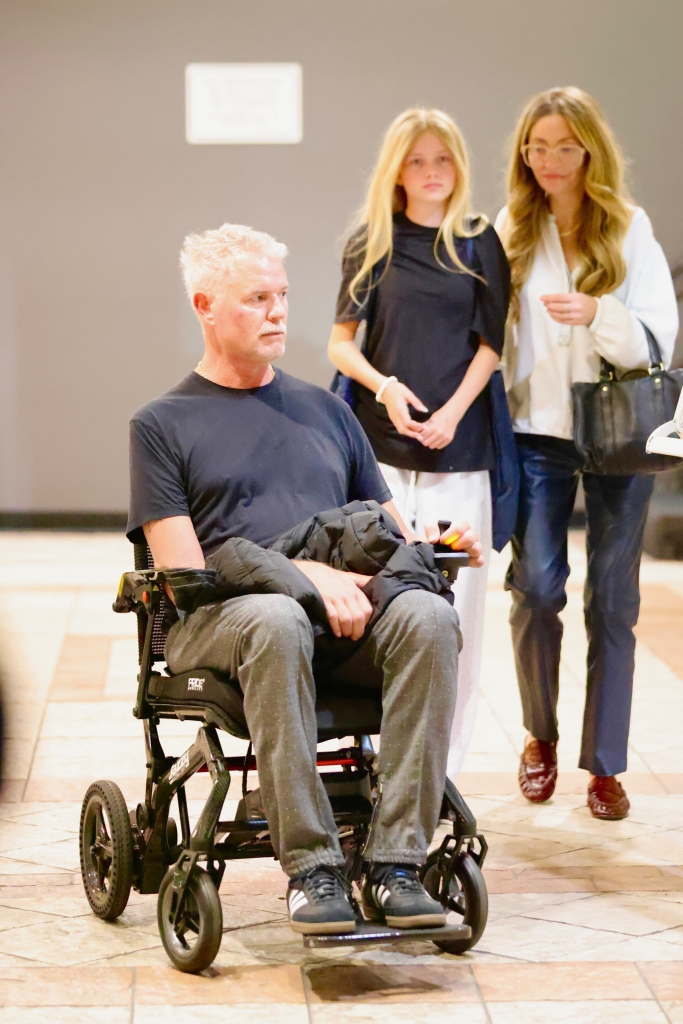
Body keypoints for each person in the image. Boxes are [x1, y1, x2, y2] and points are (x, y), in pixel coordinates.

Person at [127, 222, 484, 935]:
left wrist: (439, 545)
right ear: (204, 304)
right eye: (256, 298)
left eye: (282, 296)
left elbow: (392, 535)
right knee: (277, 618)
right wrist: (303, 575)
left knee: (427, 615)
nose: (278, 312)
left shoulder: (328, 412)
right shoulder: (161, 425)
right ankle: (313, 869)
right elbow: (186, 573)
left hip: (340, 626)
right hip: (225, 624)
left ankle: (394, 863)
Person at [495, 87, 679, 819]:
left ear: (589, 150)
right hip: (536, 433)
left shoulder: (628, 228)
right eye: (535, 147)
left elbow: (658, 339)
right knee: (535, 589)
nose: (548, 161)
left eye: (563, 147)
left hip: (616, 433)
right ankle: (538, 734)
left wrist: (599, 313)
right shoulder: (512, 227)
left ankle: (604, 764)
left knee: (614, 602)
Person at [328, 108, 510, 780]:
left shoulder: (478, 241)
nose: (432, 173)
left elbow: (491, 346)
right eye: (417, 161)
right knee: (382, 605)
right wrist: (384, 388)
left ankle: (442, 773)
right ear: (396, 170)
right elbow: (339, 344)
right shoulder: (370, 242)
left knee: (456, 613)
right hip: (379, 457)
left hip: (458, 456)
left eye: (443, 159)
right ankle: (374, 763)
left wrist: (453, 415)